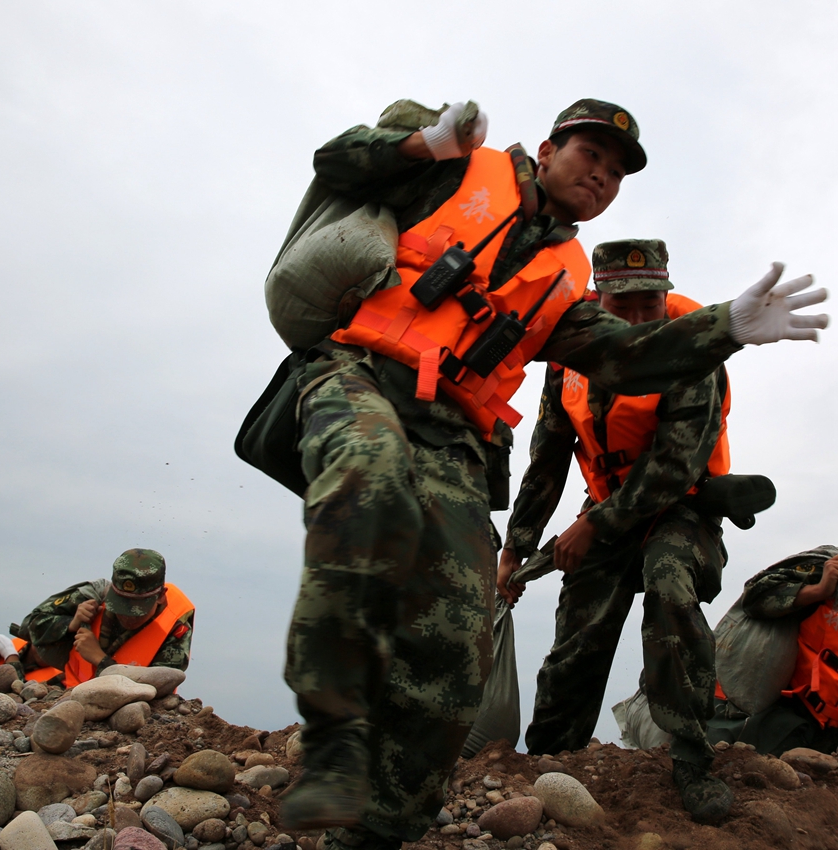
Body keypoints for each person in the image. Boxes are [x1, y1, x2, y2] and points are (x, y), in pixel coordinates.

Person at [275, 96, 827, 849]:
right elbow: (334, 161)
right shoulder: (454, 172)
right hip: (362, 376)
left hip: (590, 483)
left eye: (614, 172)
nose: (598, 176)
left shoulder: (567, 294)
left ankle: (380, 828)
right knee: (370, 478)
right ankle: (339, 732)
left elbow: (640, 382)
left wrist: (723, 326)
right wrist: (419, 144)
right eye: (586, 156)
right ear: (547, 148)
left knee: (459, 632)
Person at [498, 238, 752, 824]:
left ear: (666, 295)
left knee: (669, 587)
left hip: (683, 508)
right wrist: (516, 547)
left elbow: (674, 464)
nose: (640, 319)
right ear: (597, 300)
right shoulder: (569, 356)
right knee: (578, 631)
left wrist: (594, 524)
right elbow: (548, 458)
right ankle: (552, 758)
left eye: (650, 303)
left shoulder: (692, 344)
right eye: (624, 306)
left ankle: (691, 757)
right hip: (607, 510)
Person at [0, 548, 193, 693]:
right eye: (120, 606)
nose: (126, 616)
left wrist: (98, 659)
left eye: (136, 610)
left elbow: (158, 686)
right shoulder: (93, 595)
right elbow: (32, 622)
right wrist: (71, 624)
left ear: (160, 598)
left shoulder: (175, 626)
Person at [708, 546, 838, 756]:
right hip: (778, 704)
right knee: (726, 756)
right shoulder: (828, 567)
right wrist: (819, 590)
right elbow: (754, 595)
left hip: (827, 731)